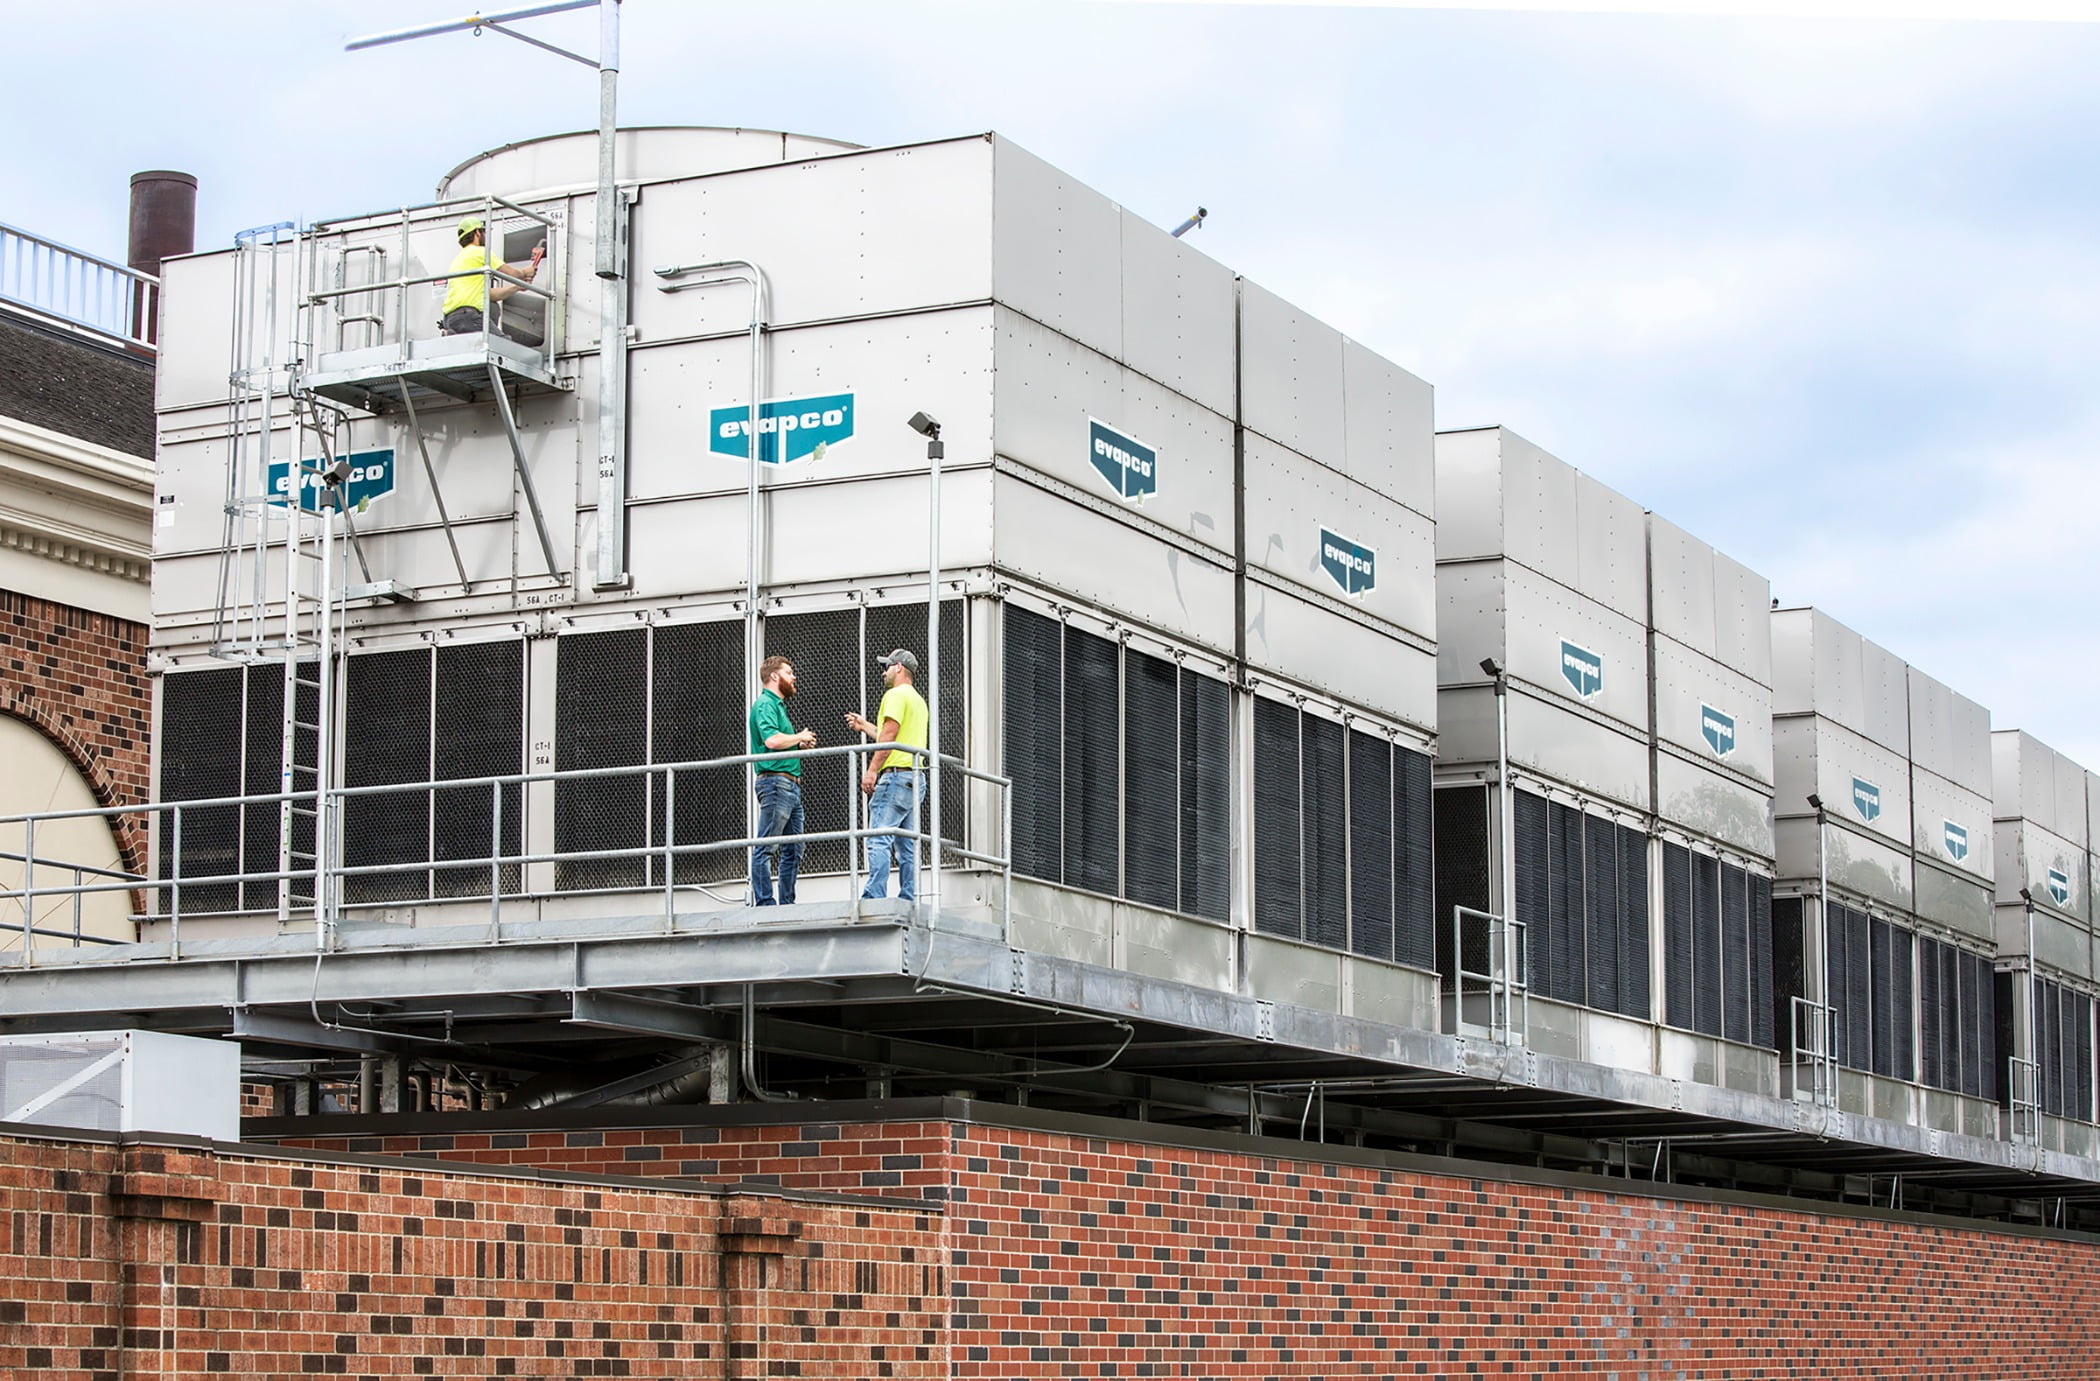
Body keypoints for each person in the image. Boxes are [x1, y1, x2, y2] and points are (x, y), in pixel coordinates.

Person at [845, 649, 930, 901]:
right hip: (915, 777)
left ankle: (874, 897)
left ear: (899, 668)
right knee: (907, 845)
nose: (884, 672)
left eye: (887, 666)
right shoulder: (917, 700)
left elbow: (890, 737)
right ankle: (908, 898)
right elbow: (891, 735)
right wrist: (864, 726)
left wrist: (871, 771)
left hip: (894, 778)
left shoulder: (894, 695)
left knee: (878, 838)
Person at [747, 654, 816, 906]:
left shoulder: (778, 706)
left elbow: (780, 742)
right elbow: (772, 741)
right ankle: (766, 904)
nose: (793, 677)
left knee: (794, 850)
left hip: (789, 785)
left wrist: (799, 744)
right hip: (776, 784)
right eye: (789, 672)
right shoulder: (765, 704)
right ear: (774, 676)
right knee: (766, 846)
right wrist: (799, 737)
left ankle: (787, 903)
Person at [438, 215, 544, 336]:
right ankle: (454, 334)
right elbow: (514, 274)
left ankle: (452, 334)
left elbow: (489, 295)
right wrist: (526, 272)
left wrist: (517, 287)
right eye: (483, 232)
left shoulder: (458, 259)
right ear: (477, 233)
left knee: (492, 307)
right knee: (502, 344)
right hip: (468, 316)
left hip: (450, 319)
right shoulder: (480, 252)